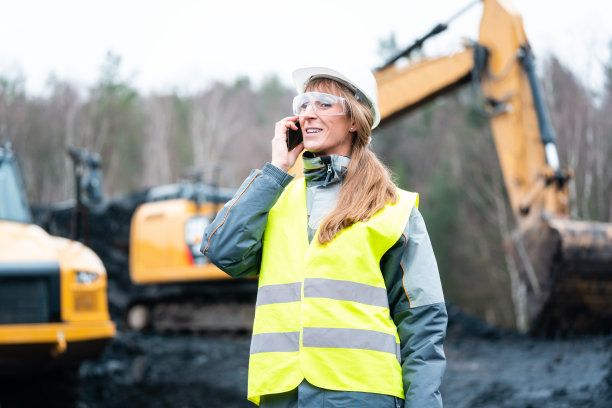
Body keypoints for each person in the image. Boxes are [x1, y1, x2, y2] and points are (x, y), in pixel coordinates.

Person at [201, 64, 447, 408]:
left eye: (323, 104)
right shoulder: (275, 196)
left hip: (361, 394)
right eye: (302, 104)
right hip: (282, 393)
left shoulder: (392, 208)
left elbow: (423, 321)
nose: (308, 114)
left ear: (354, 119)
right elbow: (222, 251)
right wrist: (276, 169)